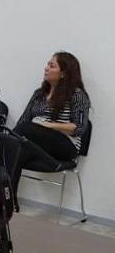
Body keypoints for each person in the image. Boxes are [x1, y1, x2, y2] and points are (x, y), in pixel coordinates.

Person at [11, 51, 91, 191]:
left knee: (22, 132)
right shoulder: (39, 94)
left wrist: (48, 125)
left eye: (52, 66)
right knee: (11, 152)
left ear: (64, 73)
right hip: (36, 142)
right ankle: (7, 198)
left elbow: (80, 128)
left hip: (65, 146)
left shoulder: (77, 95)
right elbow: (22, 121)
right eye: (47, 64)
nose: (46, 68)